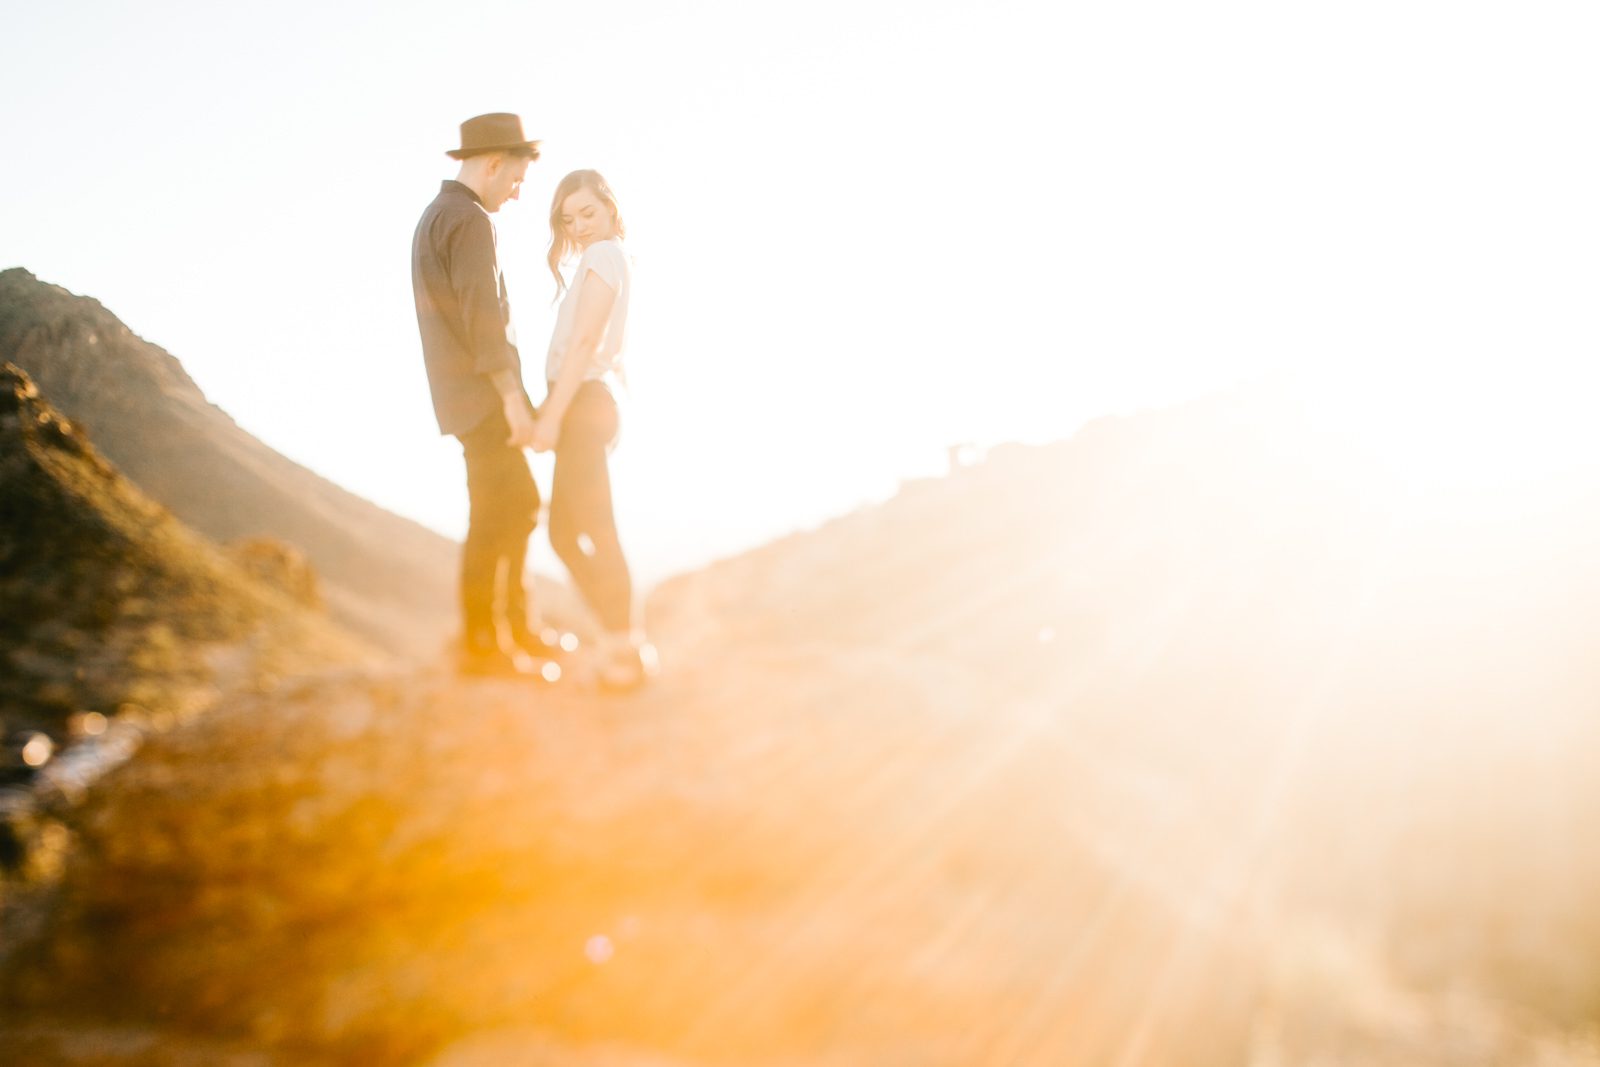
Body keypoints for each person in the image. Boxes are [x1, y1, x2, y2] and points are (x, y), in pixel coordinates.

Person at [412, 112, 559, 677]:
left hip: (459, 399)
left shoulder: (434, 216)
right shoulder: (470, 220)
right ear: (494, 164)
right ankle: (488, 645)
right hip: (483, 398)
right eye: (517, 180)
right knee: (506, 511)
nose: (518, 193)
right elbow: (485, 323)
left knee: (507, 510)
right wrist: (515, 403)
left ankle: (508, 634)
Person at [532, 170, 655, 690]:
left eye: (588, 213)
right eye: (568, 219)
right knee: (570, 531)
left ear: (609, 208)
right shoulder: (605, 257)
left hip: (580, 406)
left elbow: (584, 345)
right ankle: (619, 638)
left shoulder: (604, 255)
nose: (579, 226)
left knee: (588, 531)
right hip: (586, 405)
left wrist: (551, 418)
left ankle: (623, 645)